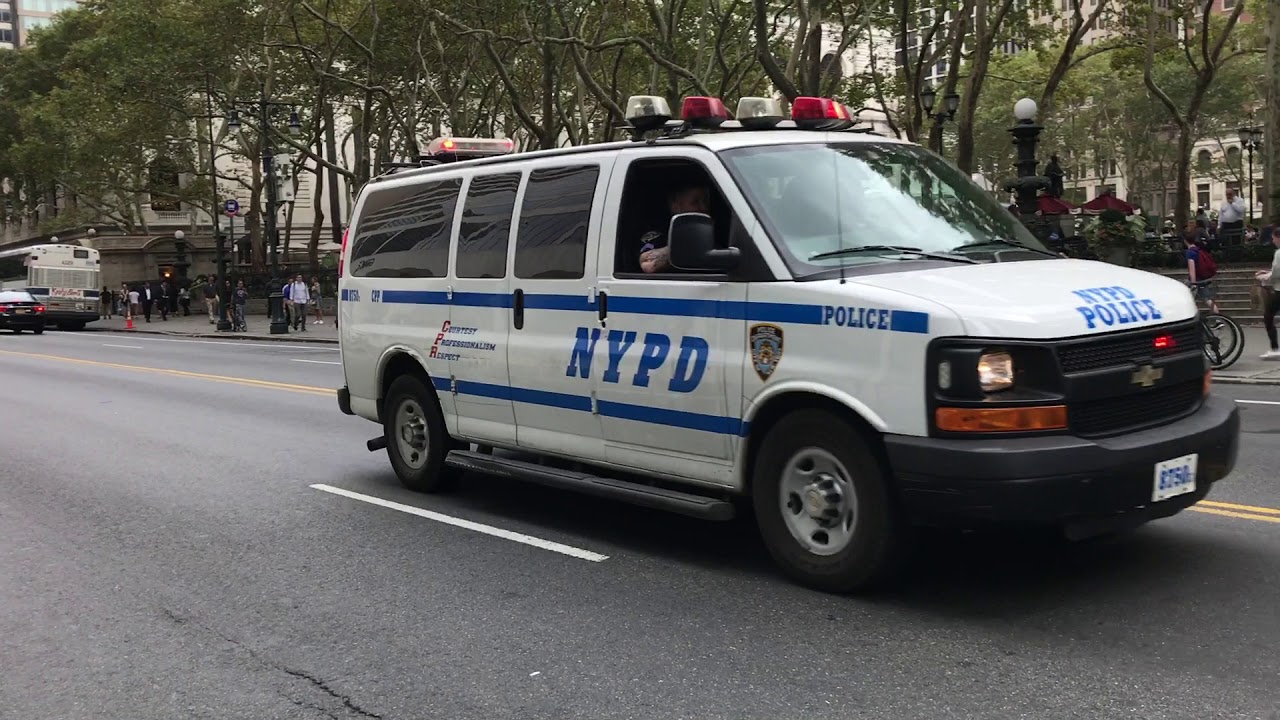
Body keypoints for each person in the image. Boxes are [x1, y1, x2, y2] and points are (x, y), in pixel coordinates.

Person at [637, 184, 711, 274]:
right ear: (675, 206)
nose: (704, 207)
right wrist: (686, 249)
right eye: (695, 202)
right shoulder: (658, 234)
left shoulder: (713, 231)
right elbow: (647, 264)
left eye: (705, 201)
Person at [1257, 230, 1280, 360]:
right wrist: (1268, 272)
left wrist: (1264, 277)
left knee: (1268, 317)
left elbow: (1277, 273)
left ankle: (1275, 348)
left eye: (1274, 238)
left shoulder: (1278, 253)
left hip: (1279, 290)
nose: (1273, 241)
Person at [1184, 231, 1219, 314]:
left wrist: (1193, 283)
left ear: (1185, 241)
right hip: (1203, 278)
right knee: (1205, 299)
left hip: (1198, 280)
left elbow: (1192, 269)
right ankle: (1218, 318)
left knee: (1206, 300)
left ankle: (1218, 319)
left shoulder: (1190, 253)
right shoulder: (1199, 250)